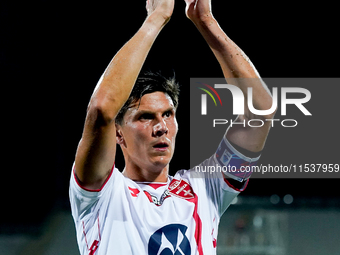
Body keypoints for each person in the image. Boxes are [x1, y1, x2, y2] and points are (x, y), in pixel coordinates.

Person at [69, 0, 276, 254]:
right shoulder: (100, 195)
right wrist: (156, 19)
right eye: (145, 117)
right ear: (118, 133)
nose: (161, 127)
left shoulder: (204, 188)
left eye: (168, 114)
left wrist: (206, 21)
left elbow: (261, 110)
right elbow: (101, 109)